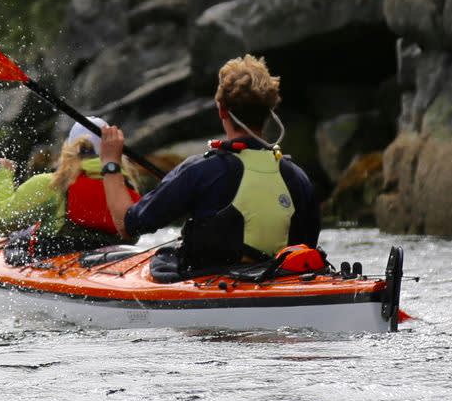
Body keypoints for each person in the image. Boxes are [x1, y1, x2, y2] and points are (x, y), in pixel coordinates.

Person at [98, 55, 319, 276]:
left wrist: (111, 163)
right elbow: (307, 247)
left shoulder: (200, 170)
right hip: (284, 281)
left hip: (213, 285)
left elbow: (127, 226)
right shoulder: (298, 178)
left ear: (222, 110)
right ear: (269, 112)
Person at [0, 122, 138, 256]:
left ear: (69, 150)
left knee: (19, 241)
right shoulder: (128, 189)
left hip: (58, 263)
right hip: (114, 265)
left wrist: (4, 173)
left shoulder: (52, 184)